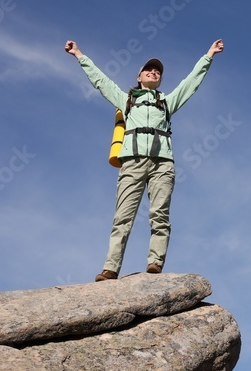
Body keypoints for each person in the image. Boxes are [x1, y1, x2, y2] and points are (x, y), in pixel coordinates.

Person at [64, 38, 224, 281]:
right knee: (123, 217)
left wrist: (208, 56)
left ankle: (155, 263)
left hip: (162, 164)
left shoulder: (167, 102)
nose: (154, 72)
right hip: (133, 162)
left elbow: (191, 83)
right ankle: (110, 268)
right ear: (139, 77)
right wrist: (79, 55)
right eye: (149, 69)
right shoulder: (126, 100)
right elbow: (100, 81)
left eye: (157, 71)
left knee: (159, 215)